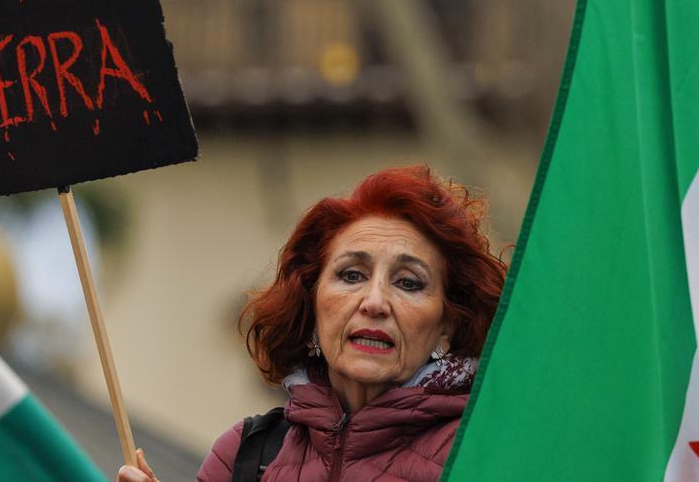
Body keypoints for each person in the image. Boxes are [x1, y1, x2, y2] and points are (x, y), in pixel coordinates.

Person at [118, 165, 508, 482]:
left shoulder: (490, 457)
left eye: (408, 283)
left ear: (447, 323)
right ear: (312, 300)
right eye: (352, 275)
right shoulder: (242, 456)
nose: (374, 302)